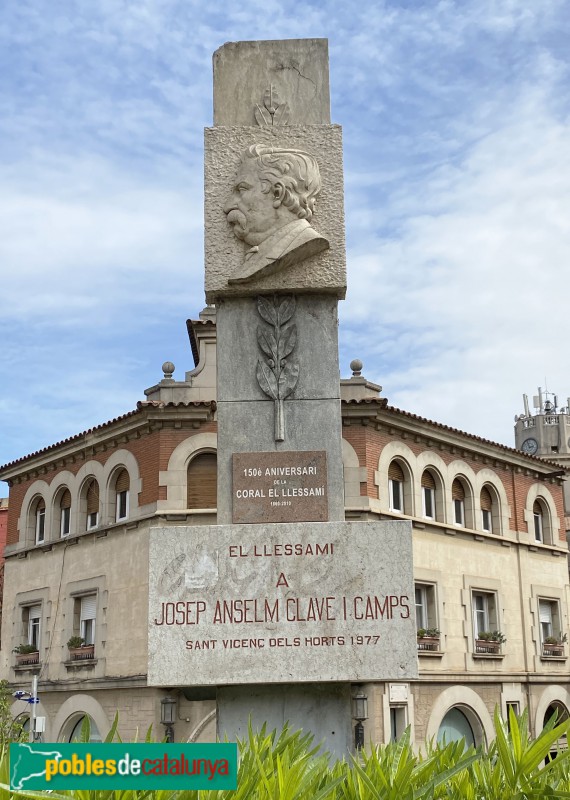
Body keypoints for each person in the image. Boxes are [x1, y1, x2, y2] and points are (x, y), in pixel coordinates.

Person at [223, 144, 329, 284]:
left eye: (242, 189)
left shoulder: (304, 242)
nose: (228, 207)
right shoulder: (263, 249)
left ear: (278, 194)